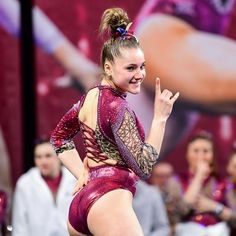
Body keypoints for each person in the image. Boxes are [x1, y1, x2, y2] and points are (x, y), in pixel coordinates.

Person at [50, 7, 179, 236]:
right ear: (108, 68)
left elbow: (59, 138)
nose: (140, 74)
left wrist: (83, 174)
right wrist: (160, 118)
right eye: (131, 68)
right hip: (109, 202)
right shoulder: (117, 106)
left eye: (142, 66)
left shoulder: (89, 97)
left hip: (83, 205)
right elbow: (144, 166)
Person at [163, 131, 236, 236]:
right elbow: (178, 213)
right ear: (187, 154)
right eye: (196, 151)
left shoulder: (224, 183)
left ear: (212, 155)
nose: (201, 155)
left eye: (206, 151)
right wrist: (199, 176)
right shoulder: (175, 182)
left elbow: (234, 217)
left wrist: (215, 207)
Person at [12, 139, 76, 236]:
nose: (43, 161)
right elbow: (19, 223)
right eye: (38, 157)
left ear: (59, 157)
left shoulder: (75, 179)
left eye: (48, 156)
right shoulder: (25, 183)